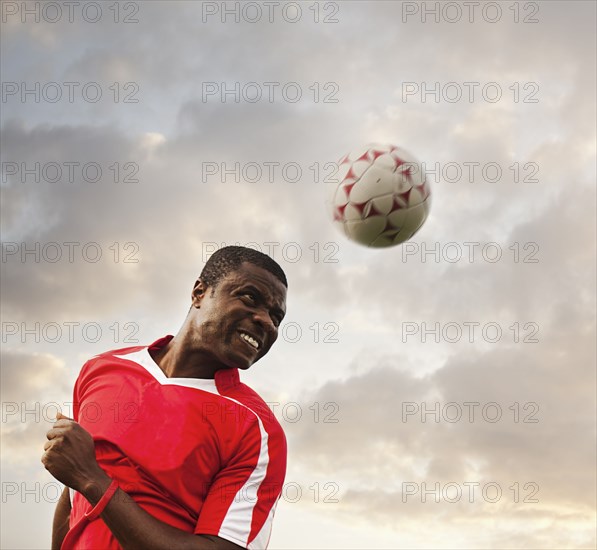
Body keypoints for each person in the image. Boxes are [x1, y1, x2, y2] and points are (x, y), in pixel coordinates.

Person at [42, 246, 288, 550]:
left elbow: (84, 477)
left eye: (277, 316)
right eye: (250, 298)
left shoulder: (259, 431)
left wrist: (94, 481)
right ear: (200, 292)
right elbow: (73, 493)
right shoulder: (101, 369)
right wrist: (83, 478)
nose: (266, 321)